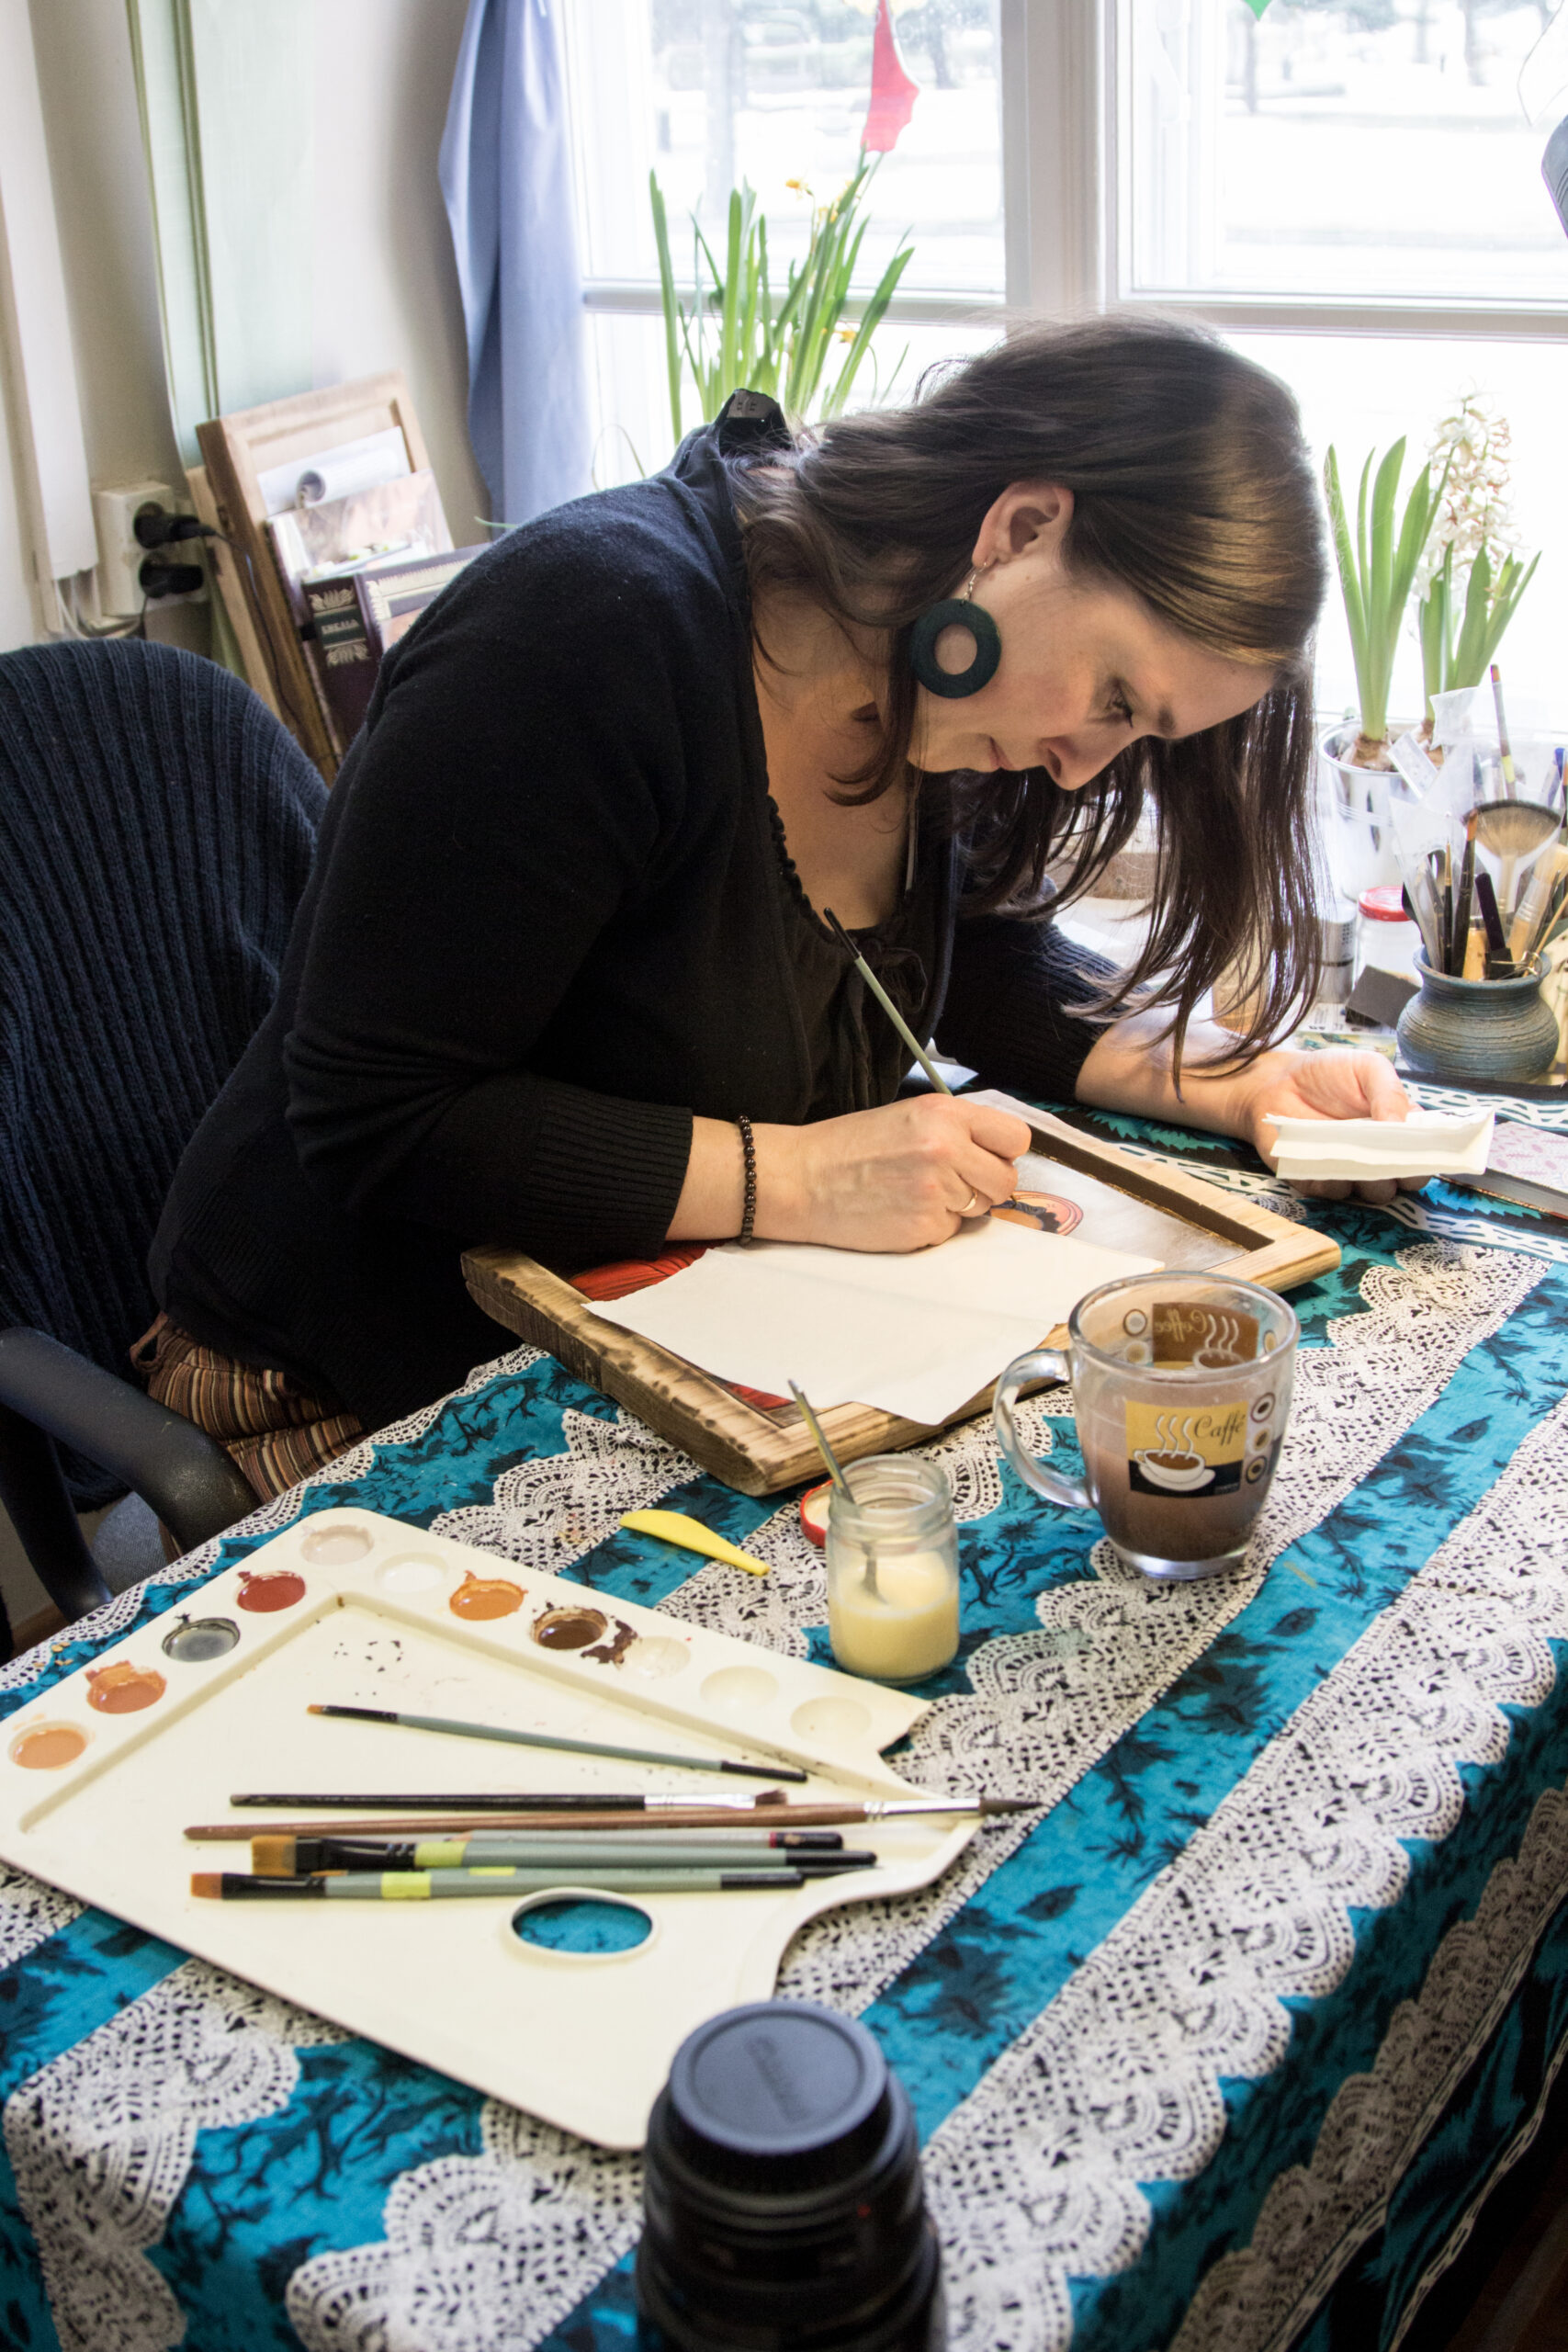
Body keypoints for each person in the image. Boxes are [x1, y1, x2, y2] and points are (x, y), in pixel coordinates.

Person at [146, 316, 1423, 1498]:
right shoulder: (584, 639)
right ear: (1023, 526)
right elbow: (379, 1117)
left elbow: (974, 959)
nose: (1087, 766)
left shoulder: (933, 676)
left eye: (1137, 737)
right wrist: (802, 1178)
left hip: (658, 1318)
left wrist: (1233, 1077)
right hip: (343, 1360)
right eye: (1114, 698)